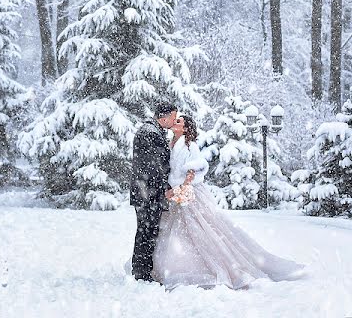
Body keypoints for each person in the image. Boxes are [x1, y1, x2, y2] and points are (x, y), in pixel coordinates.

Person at [151, 114, 305, 289]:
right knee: (178, 232)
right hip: (174, 196)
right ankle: (172, 267)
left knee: (202, 230)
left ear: (185, 128)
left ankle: (203, 269)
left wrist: (181, 189)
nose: (174, 122)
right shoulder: (171, 144)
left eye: (179, 121)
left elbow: (192, 171)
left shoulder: (190, 145)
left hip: (188, 193)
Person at [129, 103, 176, 282]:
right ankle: (141, 273)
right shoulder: (149, 133)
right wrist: (165, 188)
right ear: (163, 117)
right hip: (147, 192)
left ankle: (142, 271)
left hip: (147, 191)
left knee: (148, 231)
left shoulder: (153, 131)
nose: (173, 121)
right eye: (173, 117)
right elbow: (153, 166)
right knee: (146, 232)